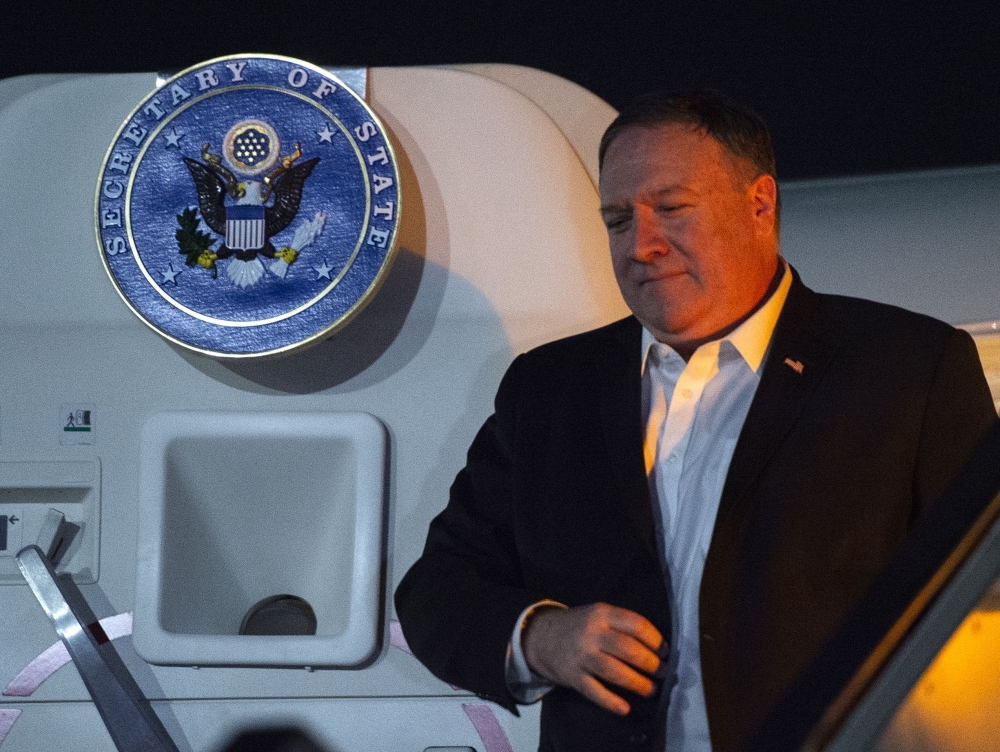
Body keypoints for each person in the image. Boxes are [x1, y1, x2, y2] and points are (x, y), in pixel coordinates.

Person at [394, 90, 998, 752]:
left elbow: (980, 607)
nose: (642, 245)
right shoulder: (551, 390)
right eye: (619, 220)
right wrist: (541, 638)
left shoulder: (910, 369)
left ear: (760, 204)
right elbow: (436, 593)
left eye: (672, 210)